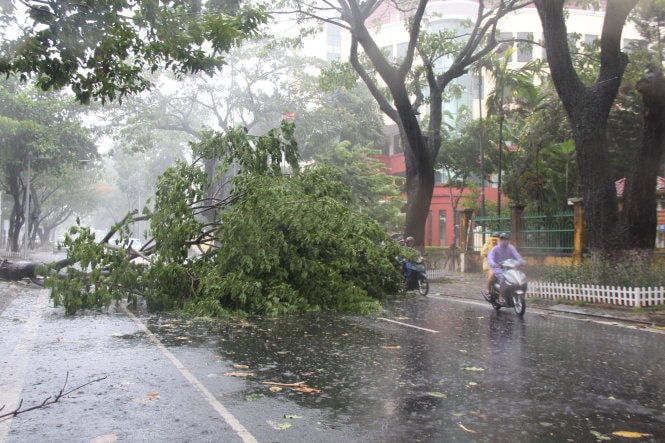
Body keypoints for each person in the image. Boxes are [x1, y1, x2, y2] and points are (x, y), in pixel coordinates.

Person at [487, 232, 525, 304]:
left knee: (518, 276)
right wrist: (494, 264)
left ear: (508, 240)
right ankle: (501, 296)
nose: (504, 241)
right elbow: (490, 257)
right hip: (498, 268)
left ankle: (515, 292)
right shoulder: (495, 249)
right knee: (502, 278)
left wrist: (521, 261)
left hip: (509, 268)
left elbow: (516, 255)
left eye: (506, 239)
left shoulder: (511, 248)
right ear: (500, 240)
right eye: (503, 239)